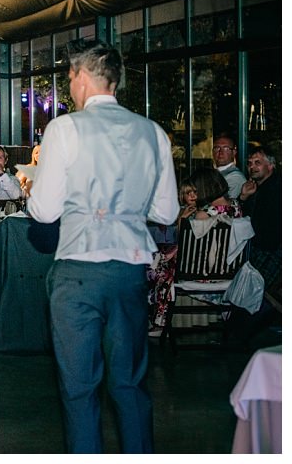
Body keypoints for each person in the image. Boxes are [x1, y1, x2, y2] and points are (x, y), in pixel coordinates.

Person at [28, 39, 177, 453]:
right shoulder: (154, 133)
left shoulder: (65, 128)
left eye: (69, 78)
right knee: (129, 383)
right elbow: (166, 211)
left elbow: (42, 212)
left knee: (79, 388)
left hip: (78, 272)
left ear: (80, 77)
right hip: (130, 270)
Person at [146, 169, 240, 335]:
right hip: (229, 269)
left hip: (203, 272)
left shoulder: (204, 214)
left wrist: (182, 221)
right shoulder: (235, 207)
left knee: (157, 266)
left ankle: (160, 322)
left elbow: (186, 243)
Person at [238, 146, 281, 310]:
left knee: (255, 291)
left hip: (270, 248)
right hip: (262, 246)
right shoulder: (256, 188)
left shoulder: (277, 188)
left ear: (270, 165)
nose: (252, 167)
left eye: (258, 163)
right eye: (249, 163)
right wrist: (243, 197)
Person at [211, 134, 247, 199]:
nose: (220, 152)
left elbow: (225, 205)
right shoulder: (213, 172)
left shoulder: (236, 177)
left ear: (234, 152)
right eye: (217, 148)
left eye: (226, 149)